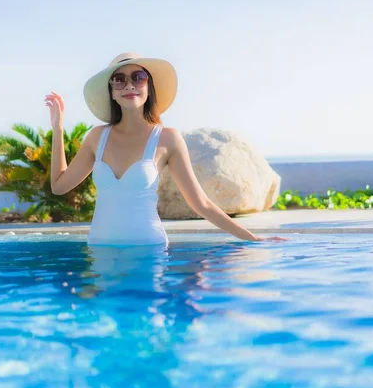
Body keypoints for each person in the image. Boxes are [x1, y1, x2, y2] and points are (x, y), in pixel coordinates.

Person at [45, 52, 286, 246]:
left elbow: (201, 203)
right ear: (112, 92)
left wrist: (252, 238)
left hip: (149, 251)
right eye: (119, 79)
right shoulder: (97, 137)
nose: (129, 85)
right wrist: (58, 128)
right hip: (100, 250)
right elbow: (59, 185)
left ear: (148, 87)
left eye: (138, 77)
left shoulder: (167, 138)